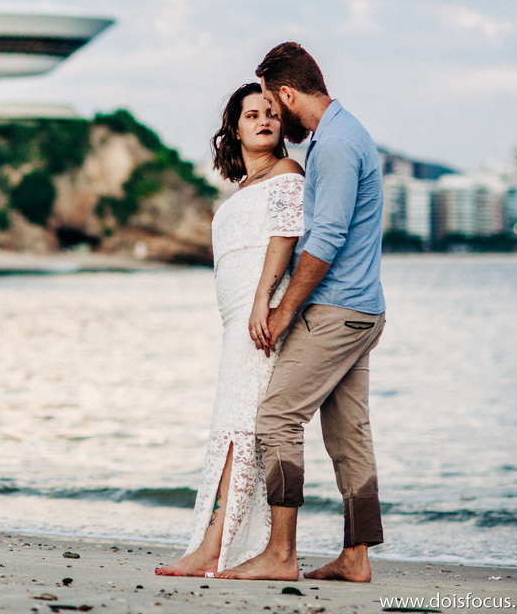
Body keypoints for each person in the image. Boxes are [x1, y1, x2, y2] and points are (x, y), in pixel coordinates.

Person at [217, 42, 386, 583]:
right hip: (364, 308)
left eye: (271, 102)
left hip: (336, 310)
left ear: (288, 94)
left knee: (275, 420)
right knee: (348, 433)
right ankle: (356, 558)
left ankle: (280, 554)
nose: (271, 114)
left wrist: (286, 308)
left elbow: (327, 237)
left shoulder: (334, 146)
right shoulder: (347, 133)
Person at [156, 82, 304, 576]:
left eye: (271, 113)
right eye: (251, 114)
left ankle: (214, 548)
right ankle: (229, 545)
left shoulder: (287, 171)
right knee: (234, 428)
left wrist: (262, 301)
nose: (264, 119)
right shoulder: (242, 189)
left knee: (244, 429)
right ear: (234, 129)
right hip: (234, 321)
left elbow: (283, 239)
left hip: (260, 319)